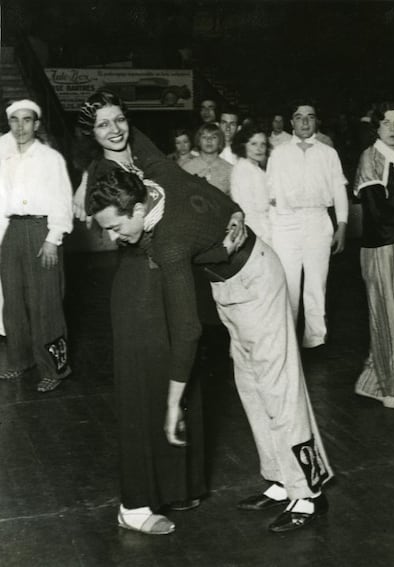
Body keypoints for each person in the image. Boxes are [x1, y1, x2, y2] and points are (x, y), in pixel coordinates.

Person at [82, 101, 334, 533]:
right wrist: (231, 213)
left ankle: (308, 493)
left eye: (115, 226)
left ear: (138, 210)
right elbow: (143, 143)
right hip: (229, 284)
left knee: (278, 384)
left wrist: (171, 402)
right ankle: (279, 479)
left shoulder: (169, 243)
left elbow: (187, 330)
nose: (112, 236)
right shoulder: (159, 173)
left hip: (257, 279)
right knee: (251, 383)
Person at [73, 89, 246, 535]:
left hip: (172, 273)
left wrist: (230, 211)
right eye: (102, 125)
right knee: (145, 389)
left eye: (118, 120)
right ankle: (132, 507)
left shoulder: (140, 148)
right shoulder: (103, 173)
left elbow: (178, 180)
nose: (114, 130)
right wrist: (206, 238)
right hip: (139, 289)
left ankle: (176, 484)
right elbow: (154, 227)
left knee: (183, 368)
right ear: (91, 135)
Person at [0, 99, 73, 391]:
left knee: (47, 303)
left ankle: (54, 369)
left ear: (37, 124)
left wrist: (54, 238)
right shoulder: (3, 155)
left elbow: (62, 201)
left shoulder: (50, 158)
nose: (20, 126)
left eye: (27, 120)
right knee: (13, 301)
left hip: (42, 230)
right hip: (12, 230)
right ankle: (20, 360)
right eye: (14, 120)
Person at [267, 100, 348, 349]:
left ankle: (315, 339)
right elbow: (269, 194)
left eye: (310, 117)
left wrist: (342, 226)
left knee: (316, 283)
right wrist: (272, 230)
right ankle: (288, 340)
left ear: (316, 121)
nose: (304, 121)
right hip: (286, 223)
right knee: (289, 284)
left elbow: (338, 190)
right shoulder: (279, 153)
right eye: (299, 117)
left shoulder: (328, 153)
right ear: (291, 122)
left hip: (318, 221)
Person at [353, 102, 394, 411]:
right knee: (390, 319)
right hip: (381, 247)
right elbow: (377, 212)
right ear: (376, 127)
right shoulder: (371, 157)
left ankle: (372, 382)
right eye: (387, 123)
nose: (393, 128)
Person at [230, 124, 272, 246]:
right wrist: (263, 238)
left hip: (265, 229)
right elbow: (247, 211)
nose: (259, 149)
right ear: (243, 146)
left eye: (263, 144)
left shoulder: (256, 169)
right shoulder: (242, 170)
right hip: (256, 233)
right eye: (253, 144)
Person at [182, 122, 232, 195]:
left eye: (214, 137)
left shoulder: (230, 170)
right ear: (199, 141)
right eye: (204, 137)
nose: (209, 140)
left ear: (220, 141)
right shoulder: (187, 168)